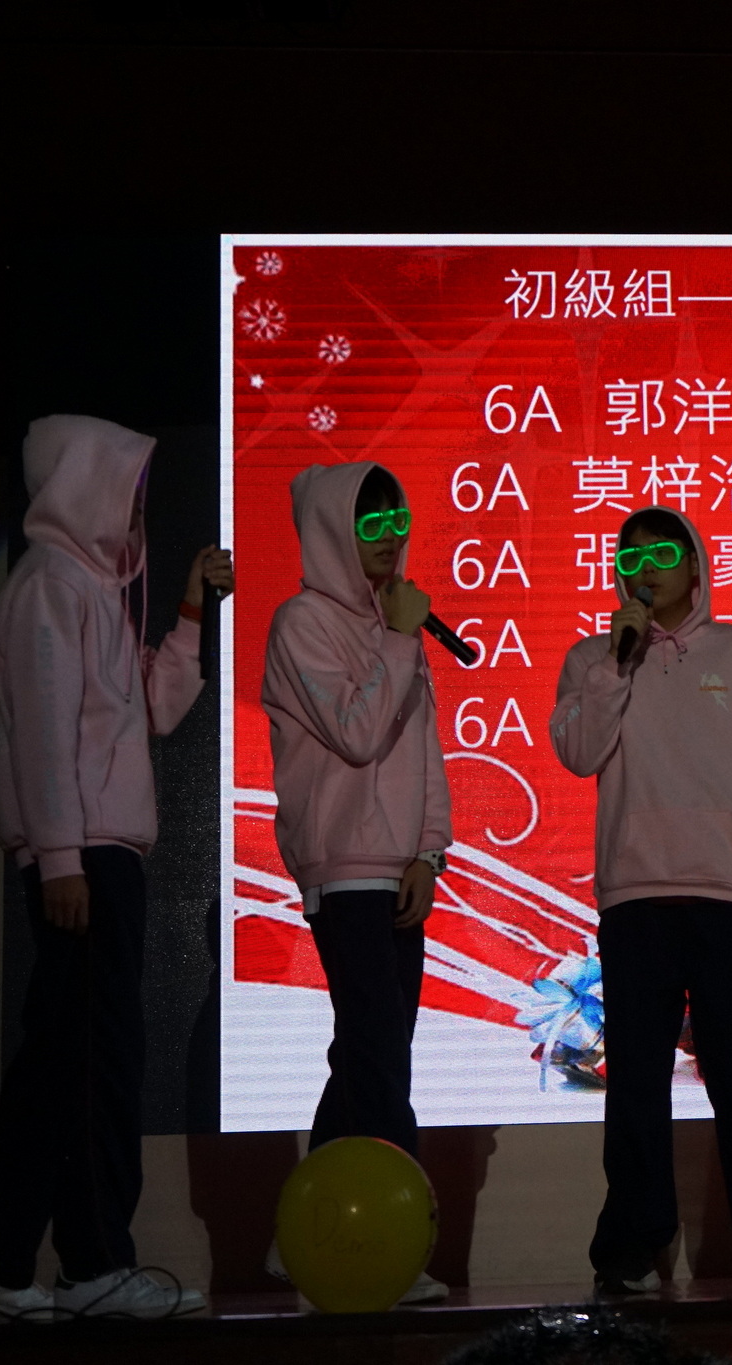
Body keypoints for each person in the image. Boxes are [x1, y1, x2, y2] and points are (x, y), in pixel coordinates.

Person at [0, 415, 231, 1319]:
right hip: (86, 857)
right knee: (92, 1060)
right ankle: (90, 1262)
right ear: (79, 484)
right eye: (124, 486)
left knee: (65, 1060)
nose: (135, 506)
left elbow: (153, 709)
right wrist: (62, 856)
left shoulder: (95, 591)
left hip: (103, 853)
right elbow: (43, 731)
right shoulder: (51, 588)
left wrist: (191, 611)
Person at [549, 507, 732, 1296]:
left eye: (661, 552)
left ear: (694, 563)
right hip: (635, 896)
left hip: (729, 898)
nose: (645, 566)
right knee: (637, 1083)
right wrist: (616, 665)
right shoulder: (591, 658)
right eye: (630, 556)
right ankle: (631, 1249)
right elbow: (577, 751)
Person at [261, 462, 452, 1304]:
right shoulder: (302, 622)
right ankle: (382, 1243)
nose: (390, 539)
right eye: (371, 525)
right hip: (343, 869)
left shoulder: (392, 622)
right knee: (375, 1056)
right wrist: (399, 641)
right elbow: (360, 732)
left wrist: (430, 853)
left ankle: (309, 1236)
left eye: (396, 521)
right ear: (333, 533)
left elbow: (425, 754)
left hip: (399, 868)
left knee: (373, 1053)